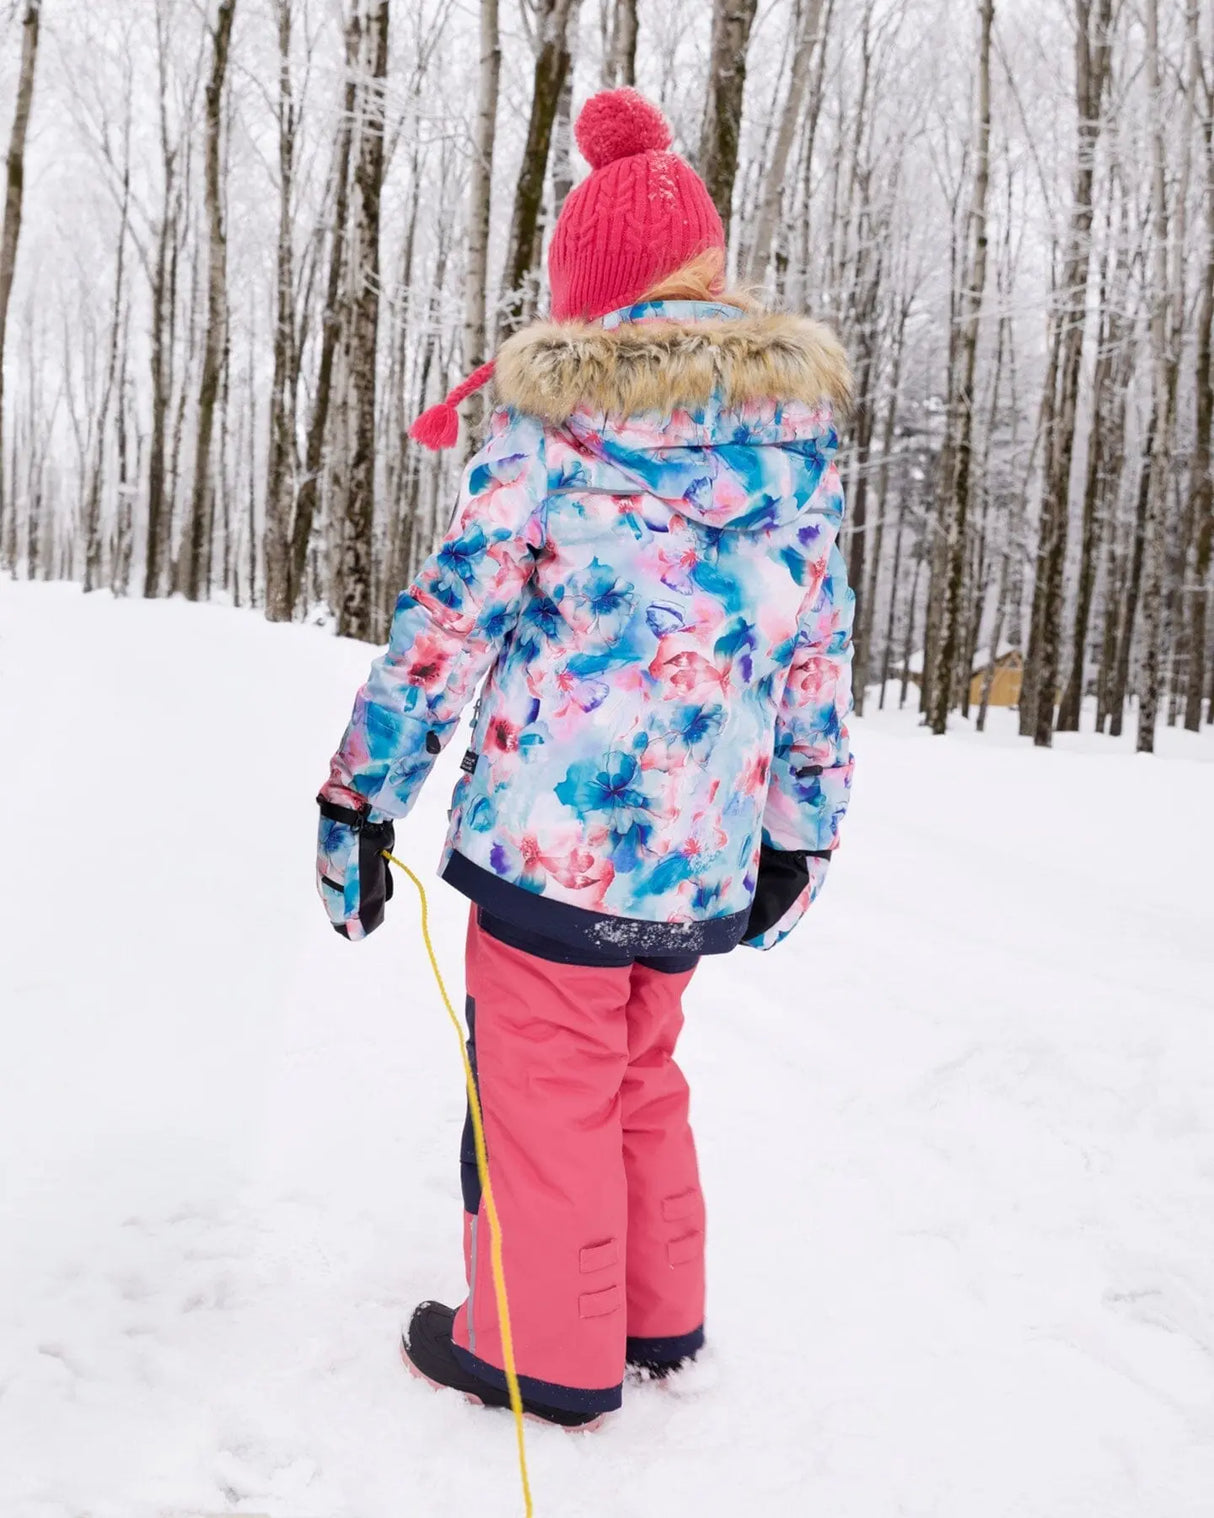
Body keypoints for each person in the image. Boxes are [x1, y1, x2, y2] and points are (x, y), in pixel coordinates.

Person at [316, 87, 855, 1430]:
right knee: (638, 1068)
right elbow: (813, 654)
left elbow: (450, 622)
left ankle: (541, 1350)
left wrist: (358, 792)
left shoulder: (548, 427)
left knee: (543, 1084)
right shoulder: (797, 447)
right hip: (698, 858)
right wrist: (802, 830)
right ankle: (656, 1318)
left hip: (551, 850)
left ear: (585, 292)